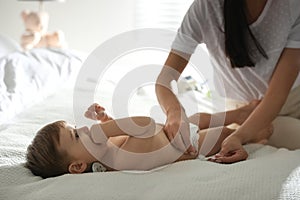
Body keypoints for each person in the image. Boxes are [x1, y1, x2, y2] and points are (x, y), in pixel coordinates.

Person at [155, 0, 300, 163]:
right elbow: (165, 79)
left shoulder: (292, 6)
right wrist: (174, 112)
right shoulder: (206, 7)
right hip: (240, 108)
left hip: (291, 101)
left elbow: (277, 95)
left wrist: (239, 136)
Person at [25, 101, 272, 178]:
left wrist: (106, 119)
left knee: (200, 116)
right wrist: (107, 129)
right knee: (221, 134)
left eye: (78, 127)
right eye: (76, 135)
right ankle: (255, 134)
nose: (86, 130)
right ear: (78, 166)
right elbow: (143, 124)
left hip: (171, 131)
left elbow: (128, 133)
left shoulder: (106, 149)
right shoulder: (119, 162)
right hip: (189, 146)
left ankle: (239, 113)